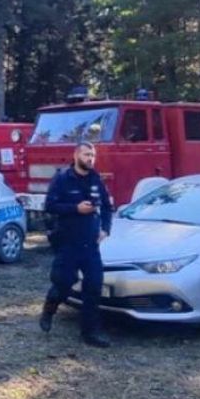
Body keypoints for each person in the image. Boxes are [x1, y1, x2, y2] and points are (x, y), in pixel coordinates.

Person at [38, 142, 115, 348]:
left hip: (90, 245)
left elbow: (107, 207)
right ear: (76, 155)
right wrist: (75, 208)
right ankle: (49, 309)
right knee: (63, 282)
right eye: (86, 154)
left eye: (93, 155)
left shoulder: (96, 179)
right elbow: (50, 206)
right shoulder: (63, 178)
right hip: (68, 242)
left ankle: (90, 333)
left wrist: (106, 229)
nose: (90, 158)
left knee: (93, 287)